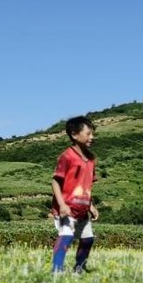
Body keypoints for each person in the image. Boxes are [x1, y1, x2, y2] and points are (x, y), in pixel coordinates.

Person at [50, 116, 99, 274]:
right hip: (67, 208)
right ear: (74, 134)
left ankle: (79, 268)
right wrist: (62, 205)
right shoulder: (67, 157)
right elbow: (55, 181)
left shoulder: (91, 159)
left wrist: (90, 205)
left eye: (93, 133)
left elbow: (87, 185)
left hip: (83, 209)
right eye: (88, 133)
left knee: (88, 239)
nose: (92, 137)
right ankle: (56, 271)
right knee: (66, 237)